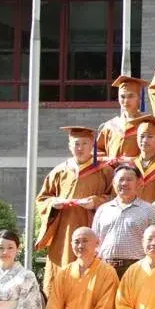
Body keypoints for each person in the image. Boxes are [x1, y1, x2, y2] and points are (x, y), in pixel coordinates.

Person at [34, 126, 113, 295]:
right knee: (60, 278)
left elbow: (115, 198)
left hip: (92, 227)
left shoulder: (105, 171)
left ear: (92, 145)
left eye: (84, 143)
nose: (80, 148)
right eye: (76, 144)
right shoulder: (59, 171)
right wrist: (53, 203)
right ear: (69, 146)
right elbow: (42, 198)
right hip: (64, 233)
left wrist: (96, 202)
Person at [92, 165, 155, 278]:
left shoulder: (149, 210)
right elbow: (94, 241)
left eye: (129, 179)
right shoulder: (103, 210)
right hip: (105, 267)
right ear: (113, 183)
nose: (124, 183)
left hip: (137, 268)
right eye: (121, 179)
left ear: (138, 183)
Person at [96, 75, 148, 160]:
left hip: (137, 168)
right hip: (112, 168)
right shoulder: (110, 126)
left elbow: (154, 154)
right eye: (122, 96)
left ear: (139, 98)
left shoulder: (147, 124)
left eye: (131, 96)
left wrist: (133, 161)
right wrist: (107, 160)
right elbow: (98, 151)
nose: (126, 101)